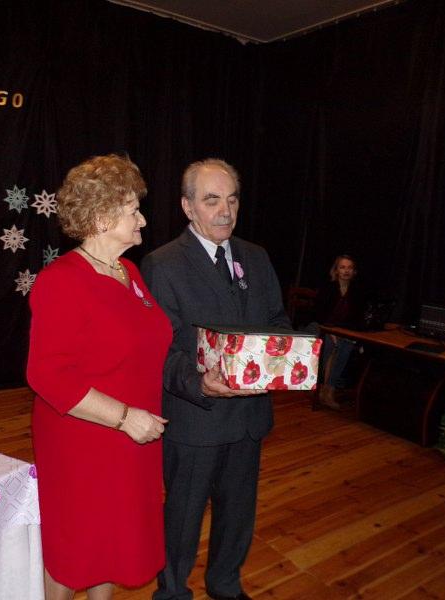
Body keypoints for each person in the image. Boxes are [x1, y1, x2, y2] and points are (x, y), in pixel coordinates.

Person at [141, 158, 291, 600]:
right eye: (211, 200)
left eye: (232, 199)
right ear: (188, 207)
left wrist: (283, 357)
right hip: (196, 419)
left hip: (249, 419)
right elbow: (157, 352)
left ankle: (226, 585)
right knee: (182, 520)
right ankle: (172, 593)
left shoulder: (256, 257)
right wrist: (198, 382)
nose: (225, 211)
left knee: (238, 515)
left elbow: (277, 321)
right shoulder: (162, 264)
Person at [26, 154, 172, 600]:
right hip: (85, 439)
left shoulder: (128, 271)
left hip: (132, 439)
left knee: (111, 540)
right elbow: (47, 374)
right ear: (104, 217)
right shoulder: (61, 281)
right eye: (133, 210)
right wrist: (125, 417)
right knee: (76, 547)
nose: (142, 220)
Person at [314, 255, 365, 410]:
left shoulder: (357, 291)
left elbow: (357, 318)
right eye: (342, 267)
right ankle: (321, 388)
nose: (346, 271)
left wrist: (347, 333)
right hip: (322, 327)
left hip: (343, 331)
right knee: (330, 344)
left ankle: (329, 390)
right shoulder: (328, 287)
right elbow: (318, 314)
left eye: (349, 268)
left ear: (354, 271)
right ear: (336, 270)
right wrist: (330, 330)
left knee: (346, 344)